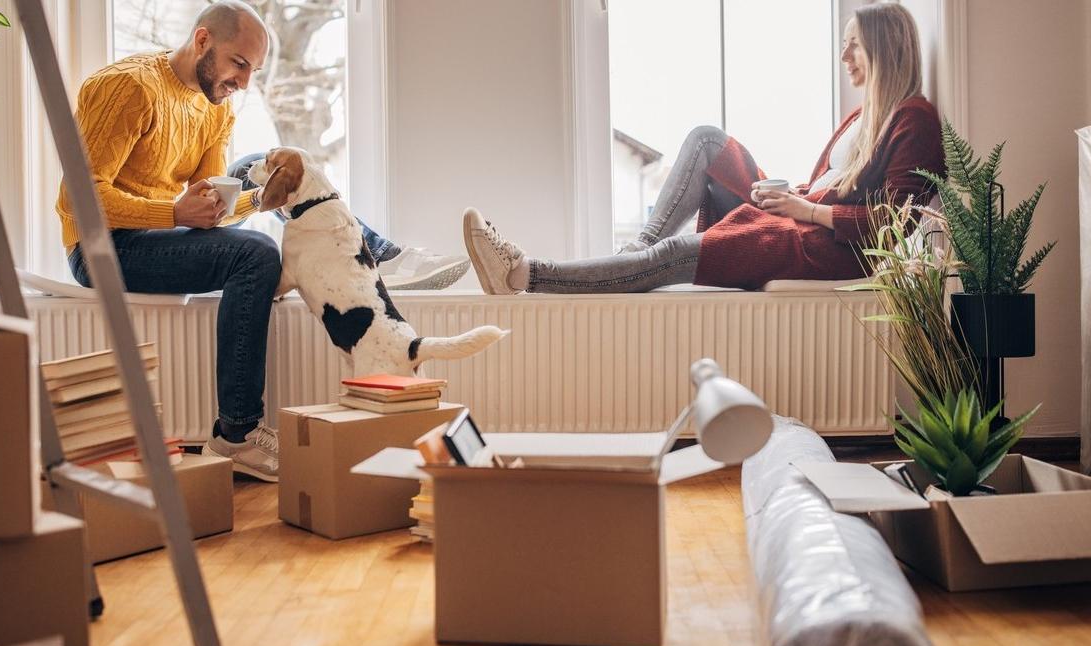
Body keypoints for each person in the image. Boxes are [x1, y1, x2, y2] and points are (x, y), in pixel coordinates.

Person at [58, 1, 465, 481]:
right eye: (239, 64)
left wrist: (236, 201)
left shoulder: (214, 105)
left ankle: (377, 252)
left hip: (163, 231)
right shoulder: (127, 88)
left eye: (253, 70)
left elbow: (212, 194)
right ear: (203, 40)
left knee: (266, 160)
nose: (244, 82)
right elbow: (77, 198)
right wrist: (172, 211)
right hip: (105, 246)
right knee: (256, 254)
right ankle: (237, 434)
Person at [461, 2, 944, 295]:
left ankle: (524, 273)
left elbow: (896, 225)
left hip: (816, 245)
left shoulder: (913, 119)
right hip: (795, 217)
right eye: (843, 45)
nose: (844, 58)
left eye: (854, 46)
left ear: (885, 49)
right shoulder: (861, 118)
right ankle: (637, 252)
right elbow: (825, 187)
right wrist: (789, 197)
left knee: (668, 257)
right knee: (708, 139)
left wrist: (803, 210)